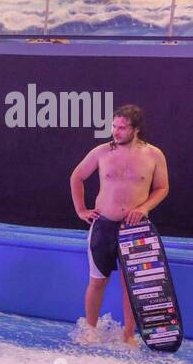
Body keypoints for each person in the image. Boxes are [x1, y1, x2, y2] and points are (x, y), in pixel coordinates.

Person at [69, 104, 170, 344]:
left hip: (134, 230)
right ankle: (90, 331)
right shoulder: (102, 152)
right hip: (103, 225)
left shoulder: (154, 155)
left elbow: (162, 187)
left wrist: (144, 208)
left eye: (122, 128)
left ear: (135, 129)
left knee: (131, 284)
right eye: (114, 126)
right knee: (97, 281)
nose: (115, 132)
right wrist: (81, 209)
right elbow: (77, 176)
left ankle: (128, 335)